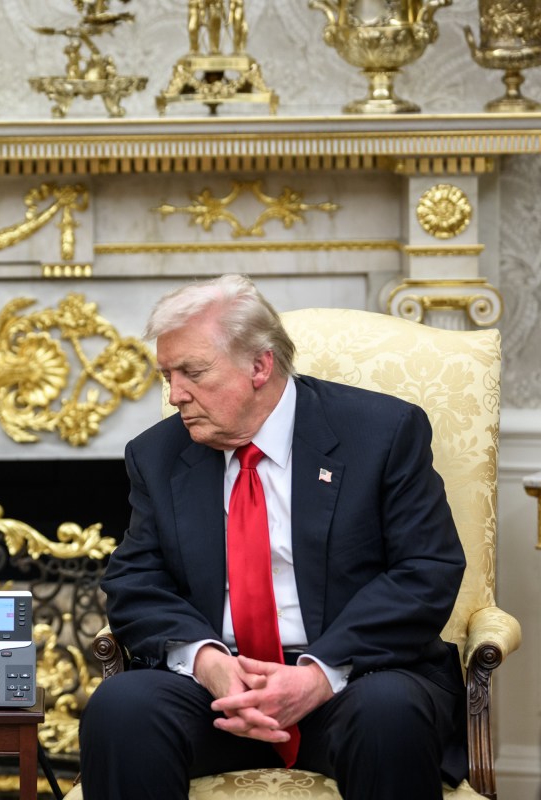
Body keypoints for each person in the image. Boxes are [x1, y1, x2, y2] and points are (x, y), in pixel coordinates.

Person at [79, 275, 466, 800]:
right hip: (217, 693)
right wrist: (207, 662)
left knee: (389, 713)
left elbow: (427, 569)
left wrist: (316, 674)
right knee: (122, 708)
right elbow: (135, 577)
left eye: (191, 373)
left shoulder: (381, 433)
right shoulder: (158, 453)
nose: (174, 396)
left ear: (260, 366)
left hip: (351, 681)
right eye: (166, 375)